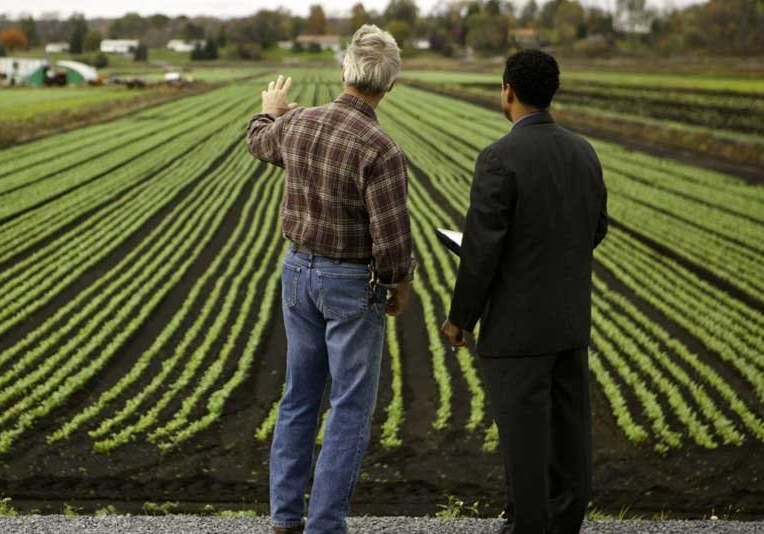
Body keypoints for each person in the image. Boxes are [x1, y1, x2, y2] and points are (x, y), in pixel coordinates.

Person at [245, 24, 417, 534]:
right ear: (389, 86)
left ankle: (284, 516)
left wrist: (271, 109)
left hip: (297, 272)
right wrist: (399, 283)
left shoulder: (300, 126)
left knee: (299, 394)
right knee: (349, 406)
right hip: (350, 284)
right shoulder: (381, 149)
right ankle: (324, 523)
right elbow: (391, 236)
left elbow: (259, 141)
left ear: (344, 71)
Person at [440, 49, 608, 534]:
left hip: (516, 331)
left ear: (507, 91)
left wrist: (460, 320)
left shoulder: (499, 158)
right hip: (571, 322)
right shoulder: (584, 151)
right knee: (570, 439)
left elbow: (482, 251)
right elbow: (596, 227)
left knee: (524, 442)